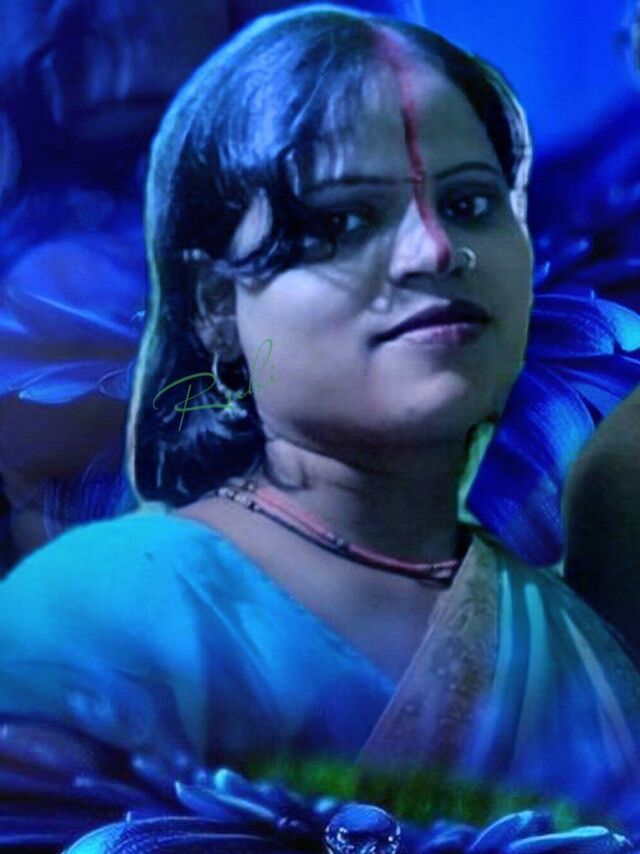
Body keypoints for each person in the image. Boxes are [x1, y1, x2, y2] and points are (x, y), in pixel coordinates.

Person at [1, 3, 640, 825]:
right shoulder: (93, 617)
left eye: (472, 203)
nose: (435, 249)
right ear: (215, 304)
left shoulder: (571, 641)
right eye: (344, 219)